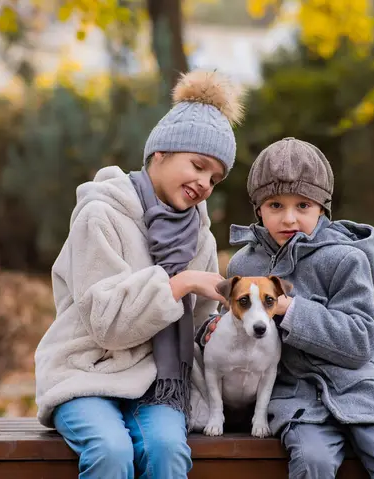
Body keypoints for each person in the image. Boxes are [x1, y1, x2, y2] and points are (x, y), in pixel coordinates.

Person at [34, 70, 244, 479]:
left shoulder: (198, 235)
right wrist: (178, 284)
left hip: (156, 383)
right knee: (111, 451)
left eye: (214, 178)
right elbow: (107, 326)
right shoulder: (101, 214)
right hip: (87, 372)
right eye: (198, 166)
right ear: (160, 154)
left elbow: (201, 325)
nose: (204, 183)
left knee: (167, 449)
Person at [198, 137, 374, 478]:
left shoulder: (345, 258)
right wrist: (211, 329)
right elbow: (237, 321)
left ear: (322, 209)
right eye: (275, 205)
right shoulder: (246, 263)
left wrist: (291, 310)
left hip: (364, 392)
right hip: (298, 400)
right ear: (258, 209)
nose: (289, 218)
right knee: (311, 462)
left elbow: (361, 341)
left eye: (303, 205)